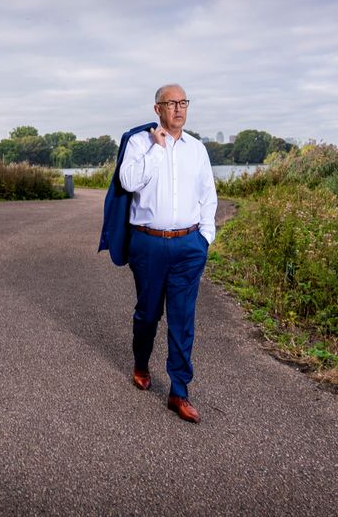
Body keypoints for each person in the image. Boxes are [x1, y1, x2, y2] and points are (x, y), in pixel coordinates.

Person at [116, 84, 217, 423]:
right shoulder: (138, 143)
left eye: (183, 102)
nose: (178, 108)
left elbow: (208, 196)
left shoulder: (197, 149)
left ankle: (179, 391)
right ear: (157, 108)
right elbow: (128, 181)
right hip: (148, 244)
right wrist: (157, 149)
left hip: (188, 246)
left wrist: (205, 238)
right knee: (147, 314)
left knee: (182, 319)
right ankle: (141, 361)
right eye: (171, 103)